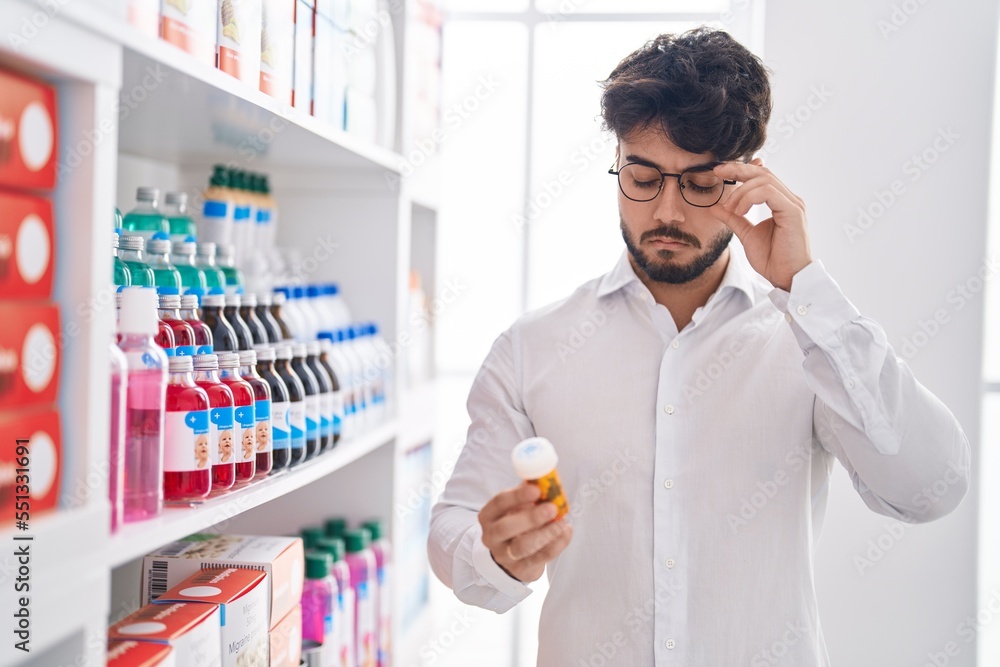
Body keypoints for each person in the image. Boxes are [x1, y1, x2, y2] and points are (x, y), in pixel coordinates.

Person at [427, 28, 971, 666]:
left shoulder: (809, 340)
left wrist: (807, 289)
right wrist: (493, 552)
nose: (668, 211)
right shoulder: (533, 347)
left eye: (701, 183)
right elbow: (453, 531)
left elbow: (931, 488)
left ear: (749, 178)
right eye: (643, 177)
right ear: (618, 164)